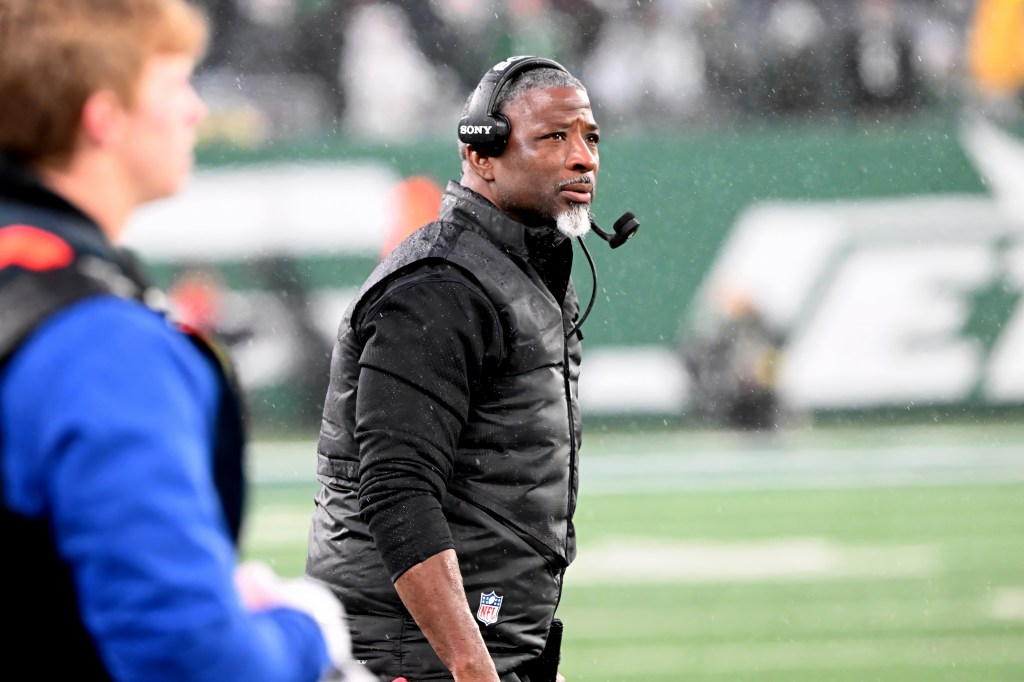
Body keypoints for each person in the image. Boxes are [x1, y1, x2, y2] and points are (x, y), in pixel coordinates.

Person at [0, 2, 371, 681]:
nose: (195, 110)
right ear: (102, 116)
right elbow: (196, 660)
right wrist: (306, 629)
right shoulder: (100, 346)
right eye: (174, 85)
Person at [306, 55, 605, 681]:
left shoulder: (515, 273)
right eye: (555, 136)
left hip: (465, 645)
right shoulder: (441, 286)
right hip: (416, 653)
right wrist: (472, 665)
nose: (584, 158)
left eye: (590, 136)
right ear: (482, 154)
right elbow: (396, 488)